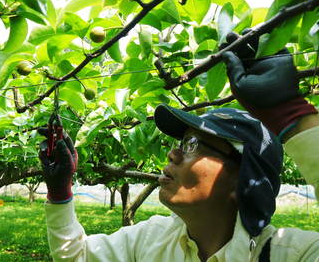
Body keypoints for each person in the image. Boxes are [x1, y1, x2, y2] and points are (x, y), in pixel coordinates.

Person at [39, 35, 319, 261]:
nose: (173, 153)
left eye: (193, 145)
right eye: (181, 143)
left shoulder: (292, 253)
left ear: (243, 179)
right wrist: (60, 191)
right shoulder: (151, 238)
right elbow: (79, 256)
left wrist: (293, 116)